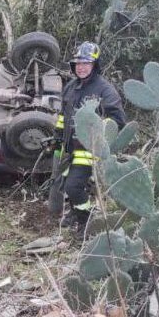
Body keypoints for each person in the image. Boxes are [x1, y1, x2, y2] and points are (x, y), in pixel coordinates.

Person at [51, 41, 126, 234]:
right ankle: (76, 212)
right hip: (69, 148)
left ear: (95, 65)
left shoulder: (104, 90)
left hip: (89, 151)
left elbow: (117, 121)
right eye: (78, 63)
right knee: (66, 183)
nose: (81, 67)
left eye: (86, 63)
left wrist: (96, 135)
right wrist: (57, 137)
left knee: (73, 187)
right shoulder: (70, 87)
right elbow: (63, 116)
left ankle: (87, 221)